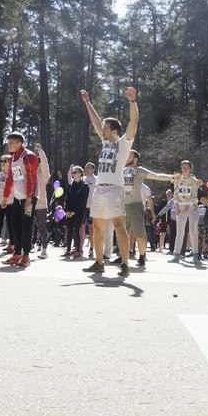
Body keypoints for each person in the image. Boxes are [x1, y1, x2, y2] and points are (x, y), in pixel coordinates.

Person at [80, 86, 138, 278]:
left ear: (114, 131)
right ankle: (98, 263)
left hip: (115, 189)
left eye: (105, 129)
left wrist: (132, 101)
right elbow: (95, 121)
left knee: (119, 226)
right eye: (102, 129)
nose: (101, 131)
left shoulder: (123, 143)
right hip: (99, 190)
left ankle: (124, 264)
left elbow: (134, 122)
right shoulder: (105, 143)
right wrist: (88, 102)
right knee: (97, 227)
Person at [121, 150, 174, 267]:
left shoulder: (140, 170)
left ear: (135, 159)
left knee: (139, 234)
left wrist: (172, 176)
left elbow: (157, 176)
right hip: (122, 206)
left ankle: (141, 256)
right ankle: (123, 257)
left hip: (136, 204)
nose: (126, 157)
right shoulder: (121, 170)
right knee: (123, 234)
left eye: (129, 155)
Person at [169, 160, 208, 264]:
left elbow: (194, 196)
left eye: (187, 167)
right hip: (181, 207)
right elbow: (175, 194)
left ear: (190, 169)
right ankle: (176, 255)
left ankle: (195, 256)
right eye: (183, 167)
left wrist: (187, 208)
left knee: (193, 232)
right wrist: (177, 207)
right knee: (180, 232)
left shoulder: (194, 181)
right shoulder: (177, 180)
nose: (185, 169)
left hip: (192, 207)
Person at [0, 132, 39, 268]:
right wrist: (5, 197)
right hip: (17, 197)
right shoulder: (12, 158)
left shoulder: (29, 156)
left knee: (26, 227)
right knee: (15, 226)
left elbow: (32, 179)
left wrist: (29, 198)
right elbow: (10, 179)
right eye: (8, 142)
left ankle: (26, 256)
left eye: (12, 143)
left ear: (19, 144)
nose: (9, 145)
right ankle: (17, 254)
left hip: (29, 196)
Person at [62, 165, 90, 259]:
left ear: (80, 174)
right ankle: (68, 249)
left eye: (75, 172)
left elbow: (82, 201)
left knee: (77, 230)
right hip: (70, 212)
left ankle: (78, 250)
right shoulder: (70, 185)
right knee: (69, 230)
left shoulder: (85, 186)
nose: (73, 174)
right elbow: (67, 198)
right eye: (72, 172)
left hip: (79, 212)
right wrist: (67, 210)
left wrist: (74, 211)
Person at [33, 143, 51, 258]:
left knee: (42, 228)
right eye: (36, 163)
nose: (37, 165)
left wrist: (41, 152)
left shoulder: (43, 177)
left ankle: (44, 250)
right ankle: (26, 249)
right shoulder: (30, 176)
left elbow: (45, 166)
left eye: (38, 163)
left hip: (41, 206)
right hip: (29, 205)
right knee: (29, 228)